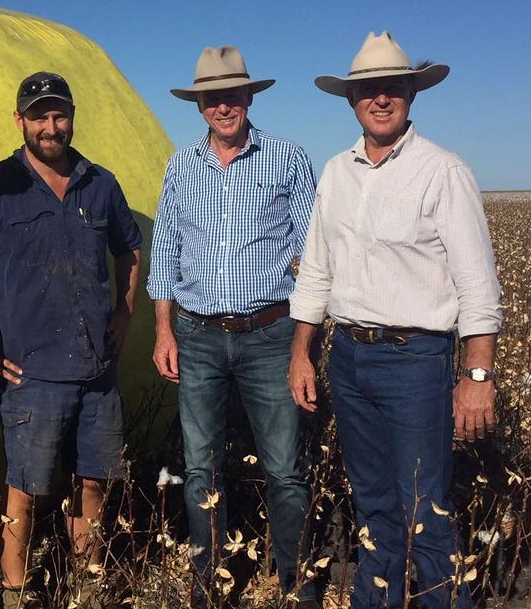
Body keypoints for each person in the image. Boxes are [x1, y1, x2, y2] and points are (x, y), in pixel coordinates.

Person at [288, 32, 502, 609]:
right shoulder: (336, 173)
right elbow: (317, 271)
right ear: (351, 100)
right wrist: (301, 352)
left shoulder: (442, 171)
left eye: (392, 89)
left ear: (411, 94)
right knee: (373, 505)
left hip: (417, 362)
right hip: (350, 360)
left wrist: (477, 379)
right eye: (368, 91)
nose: (380, 100)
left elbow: (478, 287)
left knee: (423, 511)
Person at [0, 72, 143, 608]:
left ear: (72, 116)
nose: (50, 127)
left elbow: (129, 248)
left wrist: (125, 311)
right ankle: (15, 595)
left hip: (98, 370)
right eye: (39, 117)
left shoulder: (100, 184)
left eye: (59, 115)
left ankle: (87, 592)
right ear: (20, 121)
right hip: (31, 374)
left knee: (92, 485)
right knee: (24, 493)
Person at [147, 46, 318, 607]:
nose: (224, 107)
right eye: (212, 98)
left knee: (286, 469)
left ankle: (296, 586)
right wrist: (164, 332)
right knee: (201, 467)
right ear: (200, 107)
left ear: (249, 98)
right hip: (196, 336)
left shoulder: (288, 159)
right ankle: (209, 586)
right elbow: (165, 252)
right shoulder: (182, 165)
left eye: (233, 96)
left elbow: (313, 255)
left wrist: (302, 345)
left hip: (271, 334)